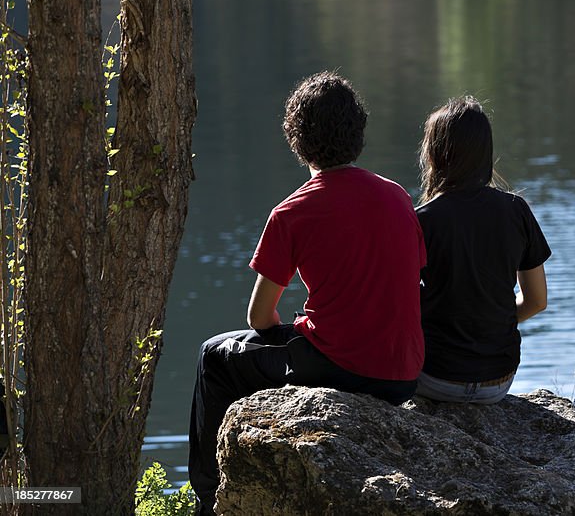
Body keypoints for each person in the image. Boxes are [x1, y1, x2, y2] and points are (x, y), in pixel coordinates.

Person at [188, 72, 425, 514]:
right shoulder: (397, 197)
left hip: (340, 368)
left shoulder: (293, 211)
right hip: (403, 375)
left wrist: (294, 335)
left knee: (214, 356)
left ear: (297, 140)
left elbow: (260, 318)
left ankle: (208, 502)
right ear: (358, 133)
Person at [414, 96, 550, 404]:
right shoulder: (517, 211)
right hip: (498, 381)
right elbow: (537, 301)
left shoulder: (422, 221)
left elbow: (398, 309)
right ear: (486, 153)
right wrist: (492, 319)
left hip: (433, 378)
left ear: (434, 155)